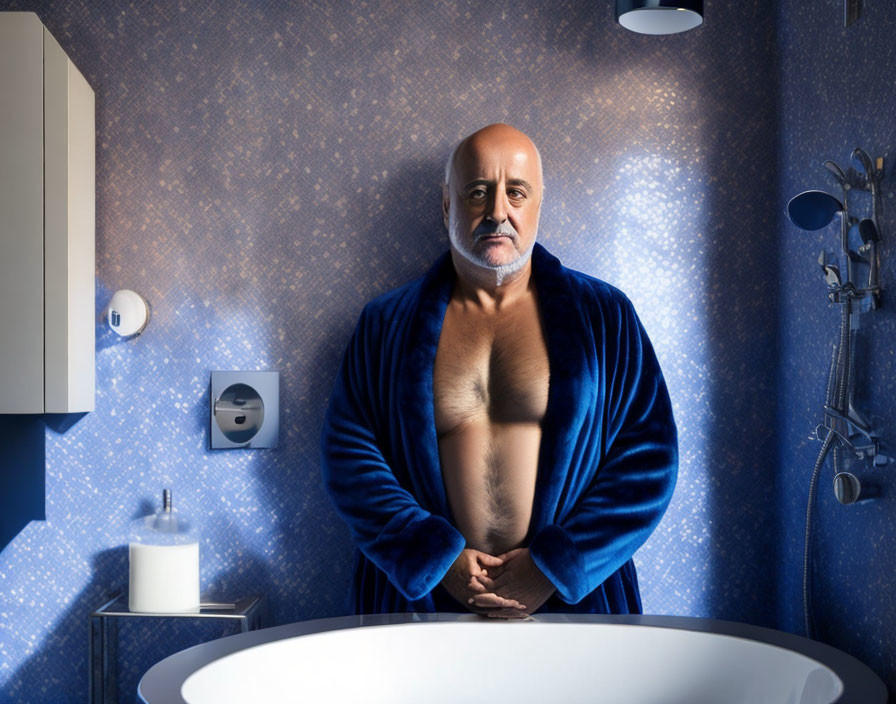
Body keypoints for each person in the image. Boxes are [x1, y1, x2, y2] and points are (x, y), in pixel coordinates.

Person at [321, 123, 677, 618]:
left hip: (573, 607)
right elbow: (349, 456)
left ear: (537, 204)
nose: (497, 212)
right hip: (422, 607)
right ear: (447, 204)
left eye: (516, 192)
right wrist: (434, 558)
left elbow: (649, 458)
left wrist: (553, 568)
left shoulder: (606, 316)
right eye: (478, 192)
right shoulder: (385, 325)